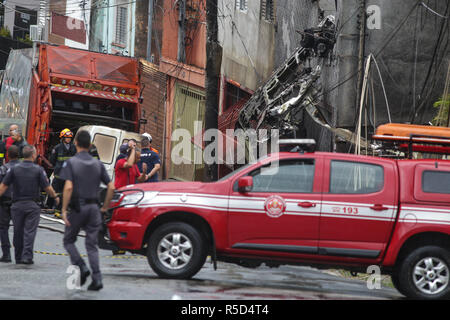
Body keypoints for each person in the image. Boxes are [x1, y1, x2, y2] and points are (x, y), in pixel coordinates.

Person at [60, 130, 115, 291]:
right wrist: (105, 207)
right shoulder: (98, 164)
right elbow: (111, 186)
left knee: (68, 240)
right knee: (91, 245)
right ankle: (97, 279)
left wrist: (63, 209)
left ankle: (82, 266)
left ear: (76, 143)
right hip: (94, 208)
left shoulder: (71, 163)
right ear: (90, 145)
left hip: (78, 207)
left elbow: (68, 187)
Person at [0, 145, 59, 264]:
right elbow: (47, 187)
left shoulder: (13, 169)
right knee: (29, 231)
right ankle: (27, 256)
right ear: (33, 155)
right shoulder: (38, 170)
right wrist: (55, 197)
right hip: (32, 205)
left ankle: (17, 256)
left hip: (17, 205)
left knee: (18, 231)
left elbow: (3, 187)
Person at [49, 129, 77, 215]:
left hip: (69, 174)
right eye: (67, 138)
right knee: (56, 191)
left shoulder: (74, 148)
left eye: (69, 138)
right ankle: (55, 207)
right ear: (63, 138)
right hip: (59, 174)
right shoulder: (57, 148)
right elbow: (52, 160)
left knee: (67, 191)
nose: (68, 139)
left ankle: (64, 208)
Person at [0, 146, 20, 262]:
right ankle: (19, 254)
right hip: (19, 202)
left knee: (3, 228)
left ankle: (6, 254)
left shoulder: (3, 169)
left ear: (8, 155)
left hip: (4, 202)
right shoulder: (23, 168)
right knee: (19, 228)